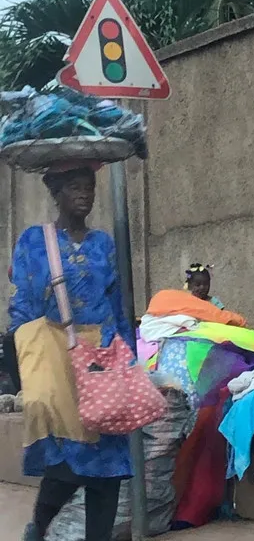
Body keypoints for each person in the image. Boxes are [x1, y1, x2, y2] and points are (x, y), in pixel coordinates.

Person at [9, 164, 134, 541]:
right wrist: (28, 369)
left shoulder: (103, 244)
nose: (85, 194)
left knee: (109, 462)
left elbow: (118, 302)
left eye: (90, 187)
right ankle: (38, 527)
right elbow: (24, 305)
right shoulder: (35, 240)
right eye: (75, 187)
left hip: (102, 355)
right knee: (68, 458)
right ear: (58, 193)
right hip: (55, 353)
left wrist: (127, 356)